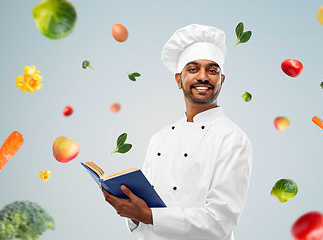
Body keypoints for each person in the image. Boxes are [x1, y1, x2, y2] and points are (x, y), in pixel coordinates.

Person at [101, 23, 253, 240]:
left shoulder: (233, 139)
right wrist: (132, 213)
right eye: (193, 69)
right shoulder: (160, 139)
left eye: (212, 70)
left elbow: (220, 221)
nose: (203, 77)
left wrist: (149, 216)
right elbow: (145, 213)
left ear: (222, 80)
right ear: (178, 80)